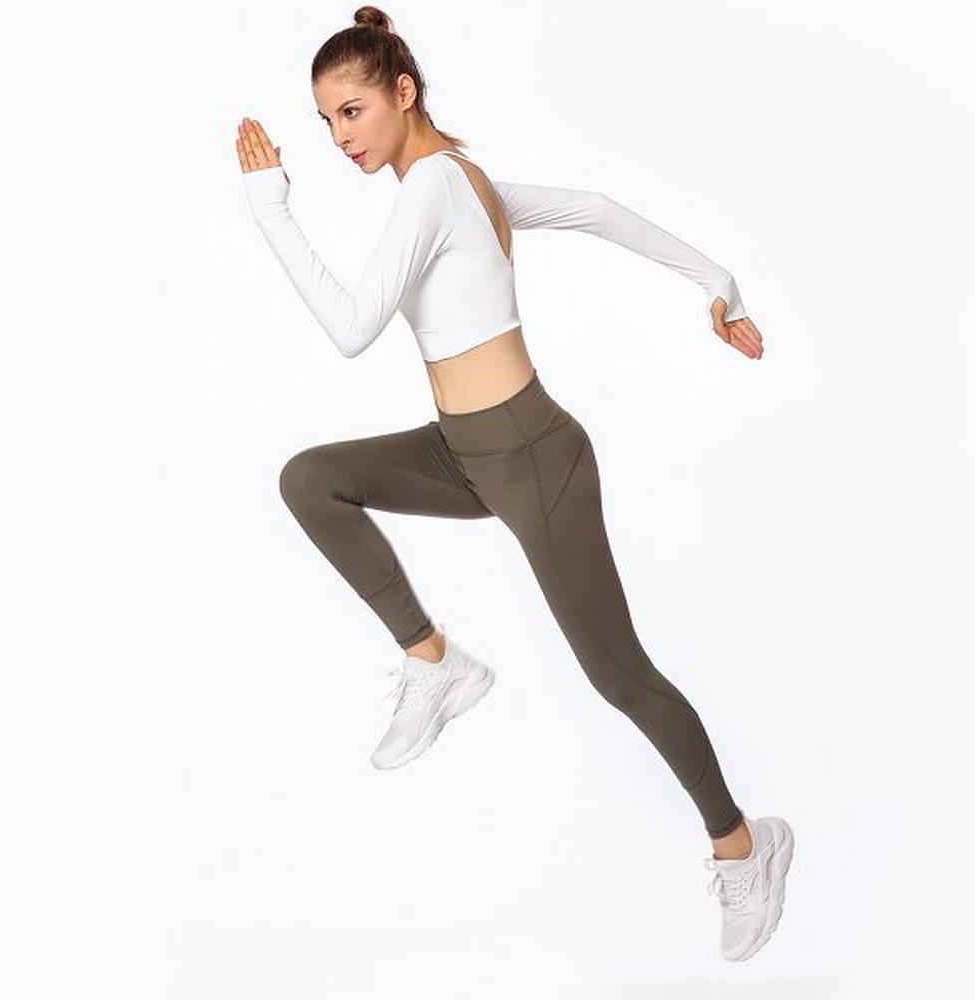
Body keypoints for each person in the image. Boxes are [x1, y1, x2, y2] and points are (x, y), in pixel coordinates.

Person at [234, 5, 793, 961]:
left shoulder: (433, 185)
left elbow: (353, 328)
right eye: (327, 122)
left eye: (353, 112)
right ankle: (434, 659)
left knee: (618, 675)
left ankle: (745, 847)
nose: (339, 138)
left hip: (534, 459)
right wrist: (716, 280)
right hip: (462, 454)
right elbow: (593, 209)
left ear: (404, 92)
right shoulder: (462, 182)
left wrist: (270, 210)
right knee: (311, 480)